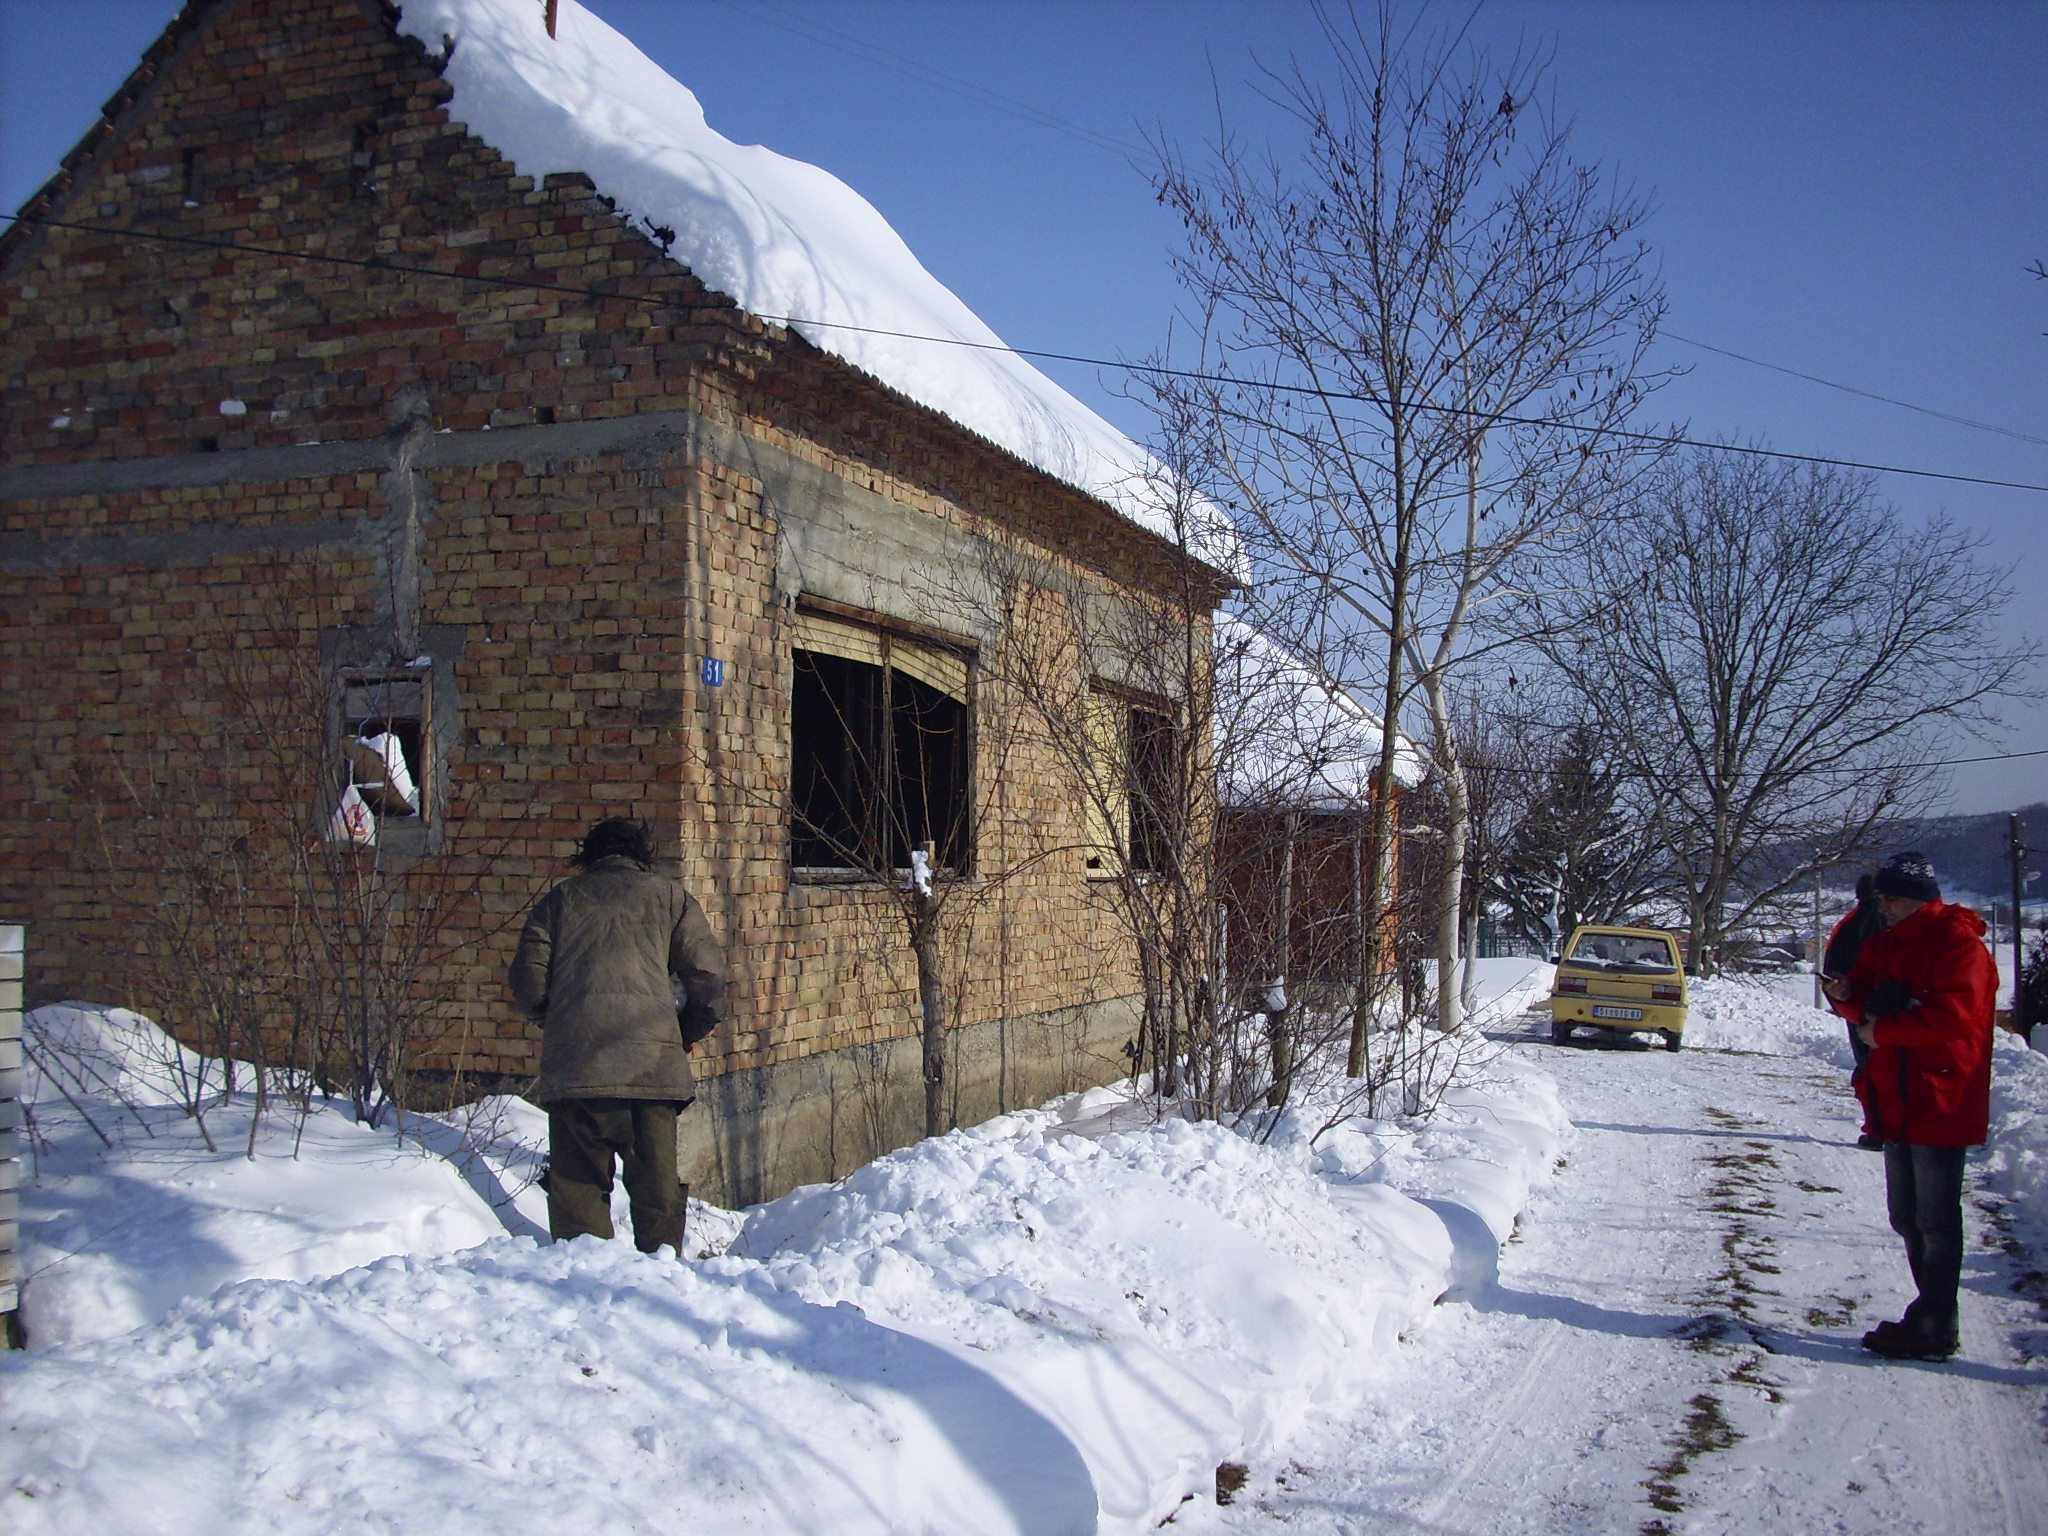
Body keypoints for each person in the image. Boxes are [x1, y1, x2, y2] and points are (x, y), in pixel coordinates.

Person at [510, 817, 726, 1255]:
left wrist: (560, 1024)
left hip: (577, 1073)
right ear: (640, 855)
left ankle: (588, 1293)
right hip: (651, 1074)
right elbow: (708, 978)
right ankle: (662, 1281)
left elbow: (528, 986)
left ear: (589, 856)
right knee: (657, 1192)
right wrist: (683, 1031)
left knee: (579, 1196)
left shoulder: (558, 902)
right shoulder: (671, 899)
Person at [1822, 850, 1997, 1361]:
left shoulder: (1960, 947)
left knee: (1936, 1220)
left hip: (1941, 1097)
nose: (1886, 907)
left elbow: (1956, 1018)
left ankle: (1936, 1324)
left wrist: (1884, 1029)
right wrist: (1846, 995)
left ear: (1919, 899)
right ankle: (1930, 1315)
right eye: (1883, 898)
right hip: (1895, 1097)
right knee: (1906, 1216)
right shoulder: (1887, 943)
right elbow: (1865, 1002)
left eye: (1893, 898)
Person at [1821, 873, 1888, 1149]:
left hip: (1860, 1008)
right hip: (1898, 1007)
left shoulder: (1849, 925)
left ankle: (1876, 1130)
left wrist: (1841, 1004)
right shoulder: (1899, 921)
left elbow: (1831, 970)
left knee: (1868, 1068)